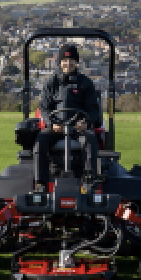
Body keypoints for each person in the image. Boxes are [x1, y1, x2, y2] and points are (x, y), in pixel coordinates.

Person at [33, 44, 101, 190]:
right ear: (60, 62)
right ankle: (41, 183)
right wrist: (51, 124)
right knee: (40, 140)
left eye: (71, 60)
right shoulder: (51, 83)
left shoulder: (85, 83)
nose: (68, 63)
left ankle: (89, 181)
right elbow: (44, 108)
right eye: (64, 59)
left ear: (77, 62)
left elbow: (93, 109)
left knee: (90, 139)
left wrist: (86, 122)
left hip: (78, 127)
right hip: (56, 127)